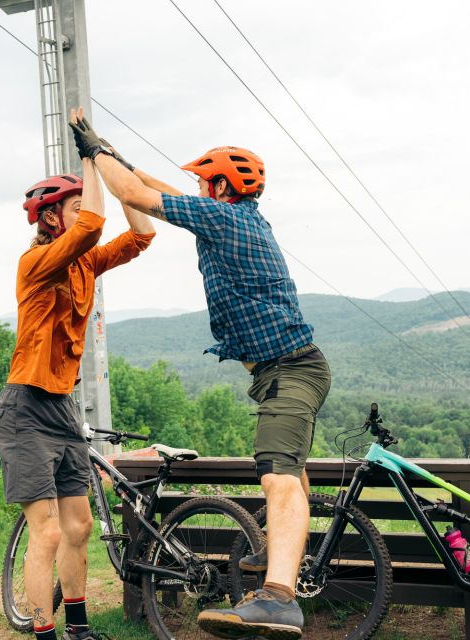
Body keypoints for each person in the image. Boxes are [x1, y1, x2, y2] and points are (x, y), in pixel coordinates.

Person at [69, 111, 330, 640]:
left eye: (204, 183)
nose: (197, 189)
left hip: (290, 370)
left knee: (276, 473)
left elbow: (142, 199)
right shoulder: (238, 216)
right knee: (290, 470)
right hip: (288, 369)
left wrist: (94, 154)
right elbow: (158, 189)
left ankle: (279, 599)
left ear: (220, 189)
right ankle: (289, 555)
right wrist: (119, 159)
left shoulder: (226, 219)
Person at [0, 149, 155, 640]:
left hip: (61, 406)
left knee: (79, 527)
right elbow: (92, 226)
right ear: (49, 217)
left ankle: (79, 631)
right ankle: (45, 633)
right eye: (75, 204)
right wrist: (91, 158)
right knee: (47, 533)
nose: (84, 210)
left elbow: (142, 236)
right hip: (24, 409)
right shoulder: (36, 262)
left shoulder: (84, 263)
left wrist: (120, 177)